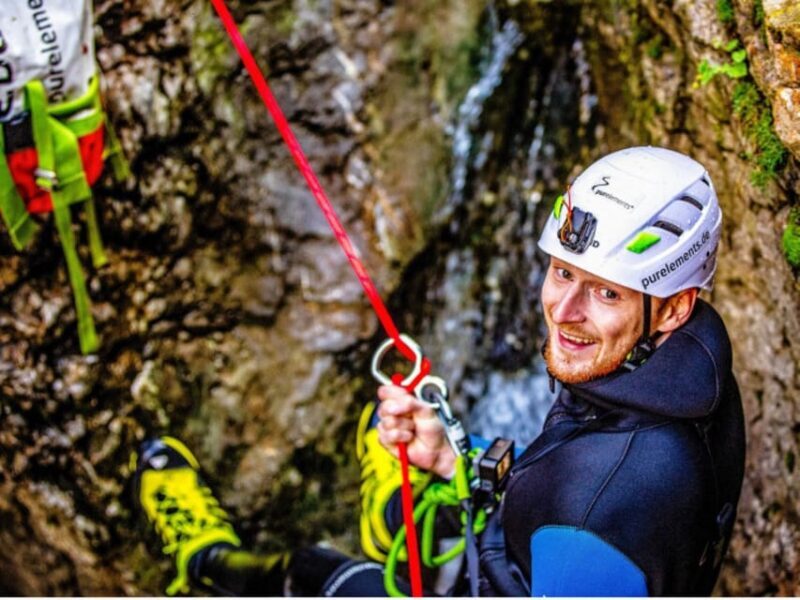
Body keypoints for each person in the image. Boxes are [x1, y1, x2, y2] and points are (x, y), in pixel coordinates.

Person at [133, 146, 745, 596]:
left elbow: (589, 507)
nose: (564, 311)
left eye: (607, 294)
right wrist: (457, 460)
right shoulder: (688, 378)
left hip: (514, 572)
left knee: (316, 574)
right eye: (562, 272)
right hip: (521, 560)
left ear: (670, 307)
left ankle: (204, 562)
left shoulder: (597, 516)